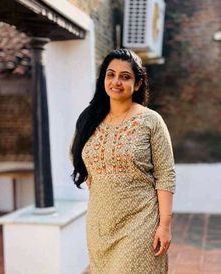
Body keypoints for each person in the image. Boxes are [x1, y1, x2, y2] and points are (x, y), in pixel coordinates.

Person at [70, 49, 176, 274]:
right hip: (100, 225)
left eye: (125, 76)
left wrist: (164, 225)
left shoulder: (150, 121)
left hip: (140, 223)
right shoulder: (90, 118)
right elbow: (77, 151)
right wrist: (91, 170)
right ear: (103, 79)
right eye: (111, 74)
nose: (116, 81)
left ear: (137, 84)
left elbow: (166, 174)